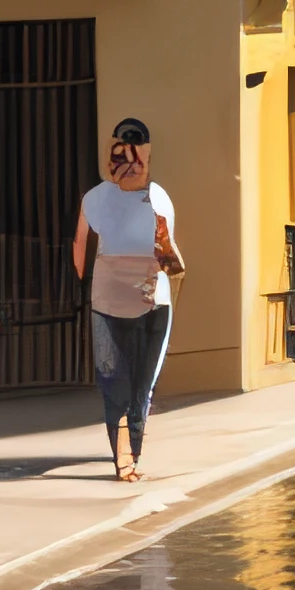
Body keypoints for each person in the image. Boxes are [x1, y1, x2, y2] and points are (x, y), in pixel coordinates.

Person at [73, 117, 181, 482]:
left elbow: (170, 258)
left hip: (152, 305)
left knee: (139, 387)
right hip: (110, 305)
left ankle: (129, 455)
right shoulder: (98, 198)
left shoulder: (155, 199)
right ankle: (126, 460)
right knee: (120, 386)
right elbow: (80, 252)